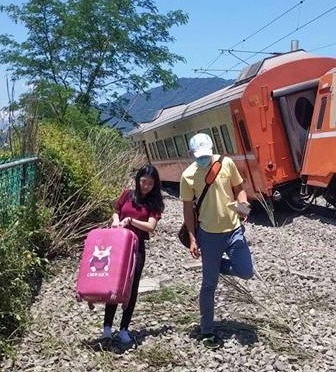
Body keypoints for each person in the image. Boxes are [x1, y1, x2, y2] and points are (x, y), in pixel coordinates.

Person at [180, 133, 255, 349]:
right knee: (209, 285)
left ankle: (215, 265)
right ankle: (207, 331)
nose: (204, 159)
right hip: (208, 235)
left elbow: (239, 188)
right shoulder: (188, 175)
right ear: (191, 154)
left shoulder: (226, 163)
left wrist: (243, 206)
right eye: (199, 156)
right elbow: (187, 209)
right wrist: (193, 238)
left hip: (234, 230)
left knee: (246, 271)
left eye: (206, 155)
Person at [103, 164, 164, 345]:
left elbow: (151, 227)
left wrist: (131, 221)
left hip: (136, 247)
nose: (145, 186)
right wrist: (116, 220)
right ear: (138, 179)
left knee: (132, 286)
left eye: (150, 183)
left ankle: (123, 328)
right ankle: (107, 327)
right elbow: (116, 211)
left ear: (155, 185)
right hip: (118, 245)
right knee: (115, 283)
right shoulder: (127, 194)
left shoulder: (154, 203)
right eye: (143, 181)